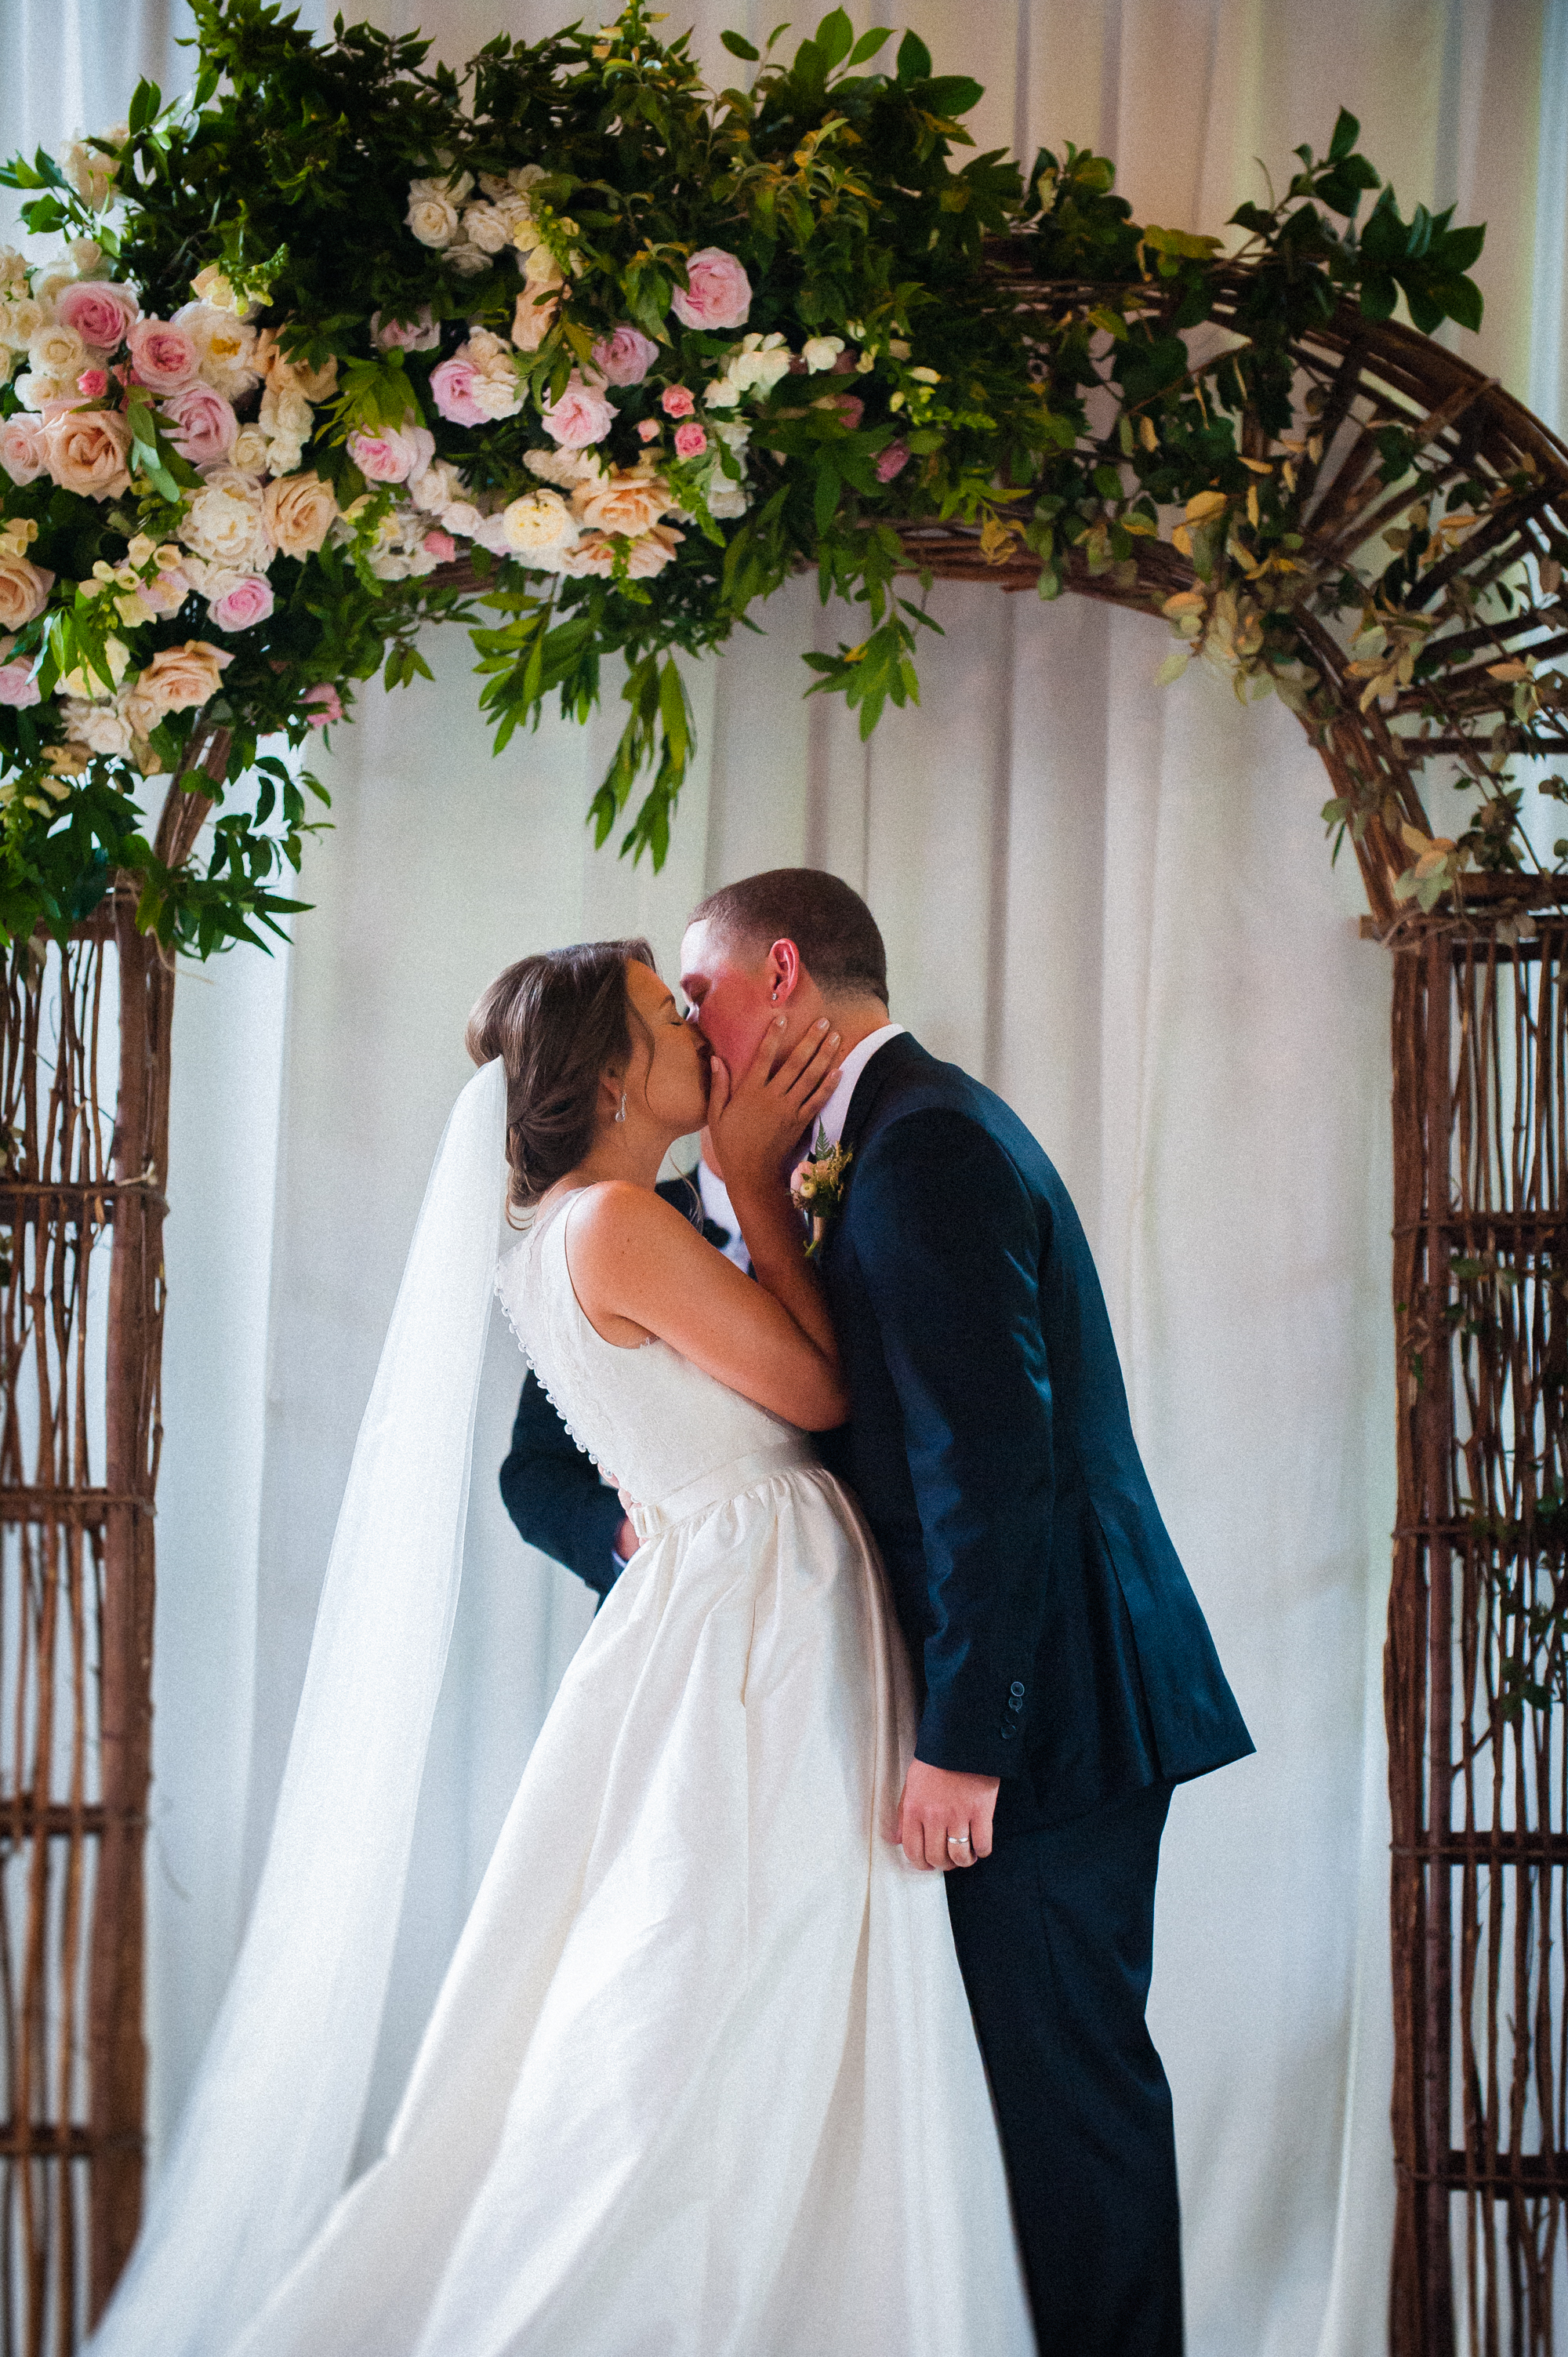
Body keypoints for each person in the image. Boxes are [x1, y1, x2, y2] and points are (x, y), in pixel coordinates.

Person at [92, 937, 1035, 2357]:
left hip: (753, 1614)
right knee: (705, 1999)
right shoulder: (609, 1221)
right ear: (609, 1075)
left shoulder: (580, 1226)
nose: (703, 1038)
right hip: (753, 1642)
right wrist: (772, 1191)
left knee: (755, 1990)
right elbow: (823, 1384)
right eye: (672, 1017)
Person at [679, 870, 1255, 2357]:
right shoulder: (896, 1132)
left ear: (783, 973)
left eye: (704, 995)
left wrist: (967, 1742)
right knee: (1034, 2124)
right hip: (1042, 1701)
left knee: (1072, 2129)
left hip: (1051, 1717)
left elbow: (990, 1466)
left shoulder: (922, 1146)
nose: (694, 1030)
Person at [499, 1133, 748, 1596]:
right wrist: (634, 1540)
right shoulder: (622, 1226)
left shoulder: (843, 1199)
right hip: (662, 1600)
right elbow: (535, 1473)